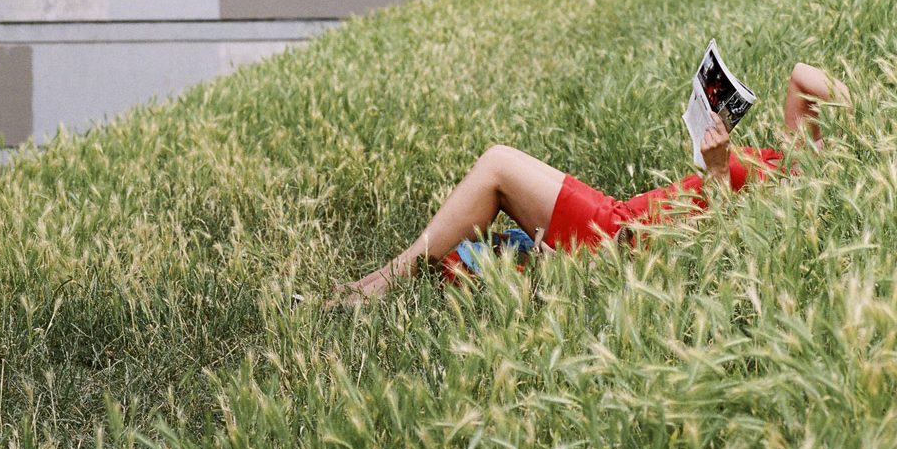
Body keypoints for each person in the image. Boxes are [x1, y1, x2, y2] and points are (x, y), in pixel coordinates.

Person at [331, 61, 847, 305]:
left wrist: (716, 169)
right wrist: (874, 127)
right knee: (471, 244)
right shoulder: (799, 162)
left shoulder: (796, 203)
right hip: (621, 218)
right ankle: (386, 283)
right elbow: (803, 76)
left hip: (618, 236)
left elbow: (725, 249)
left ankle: (379, 284)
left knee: (497, 165)